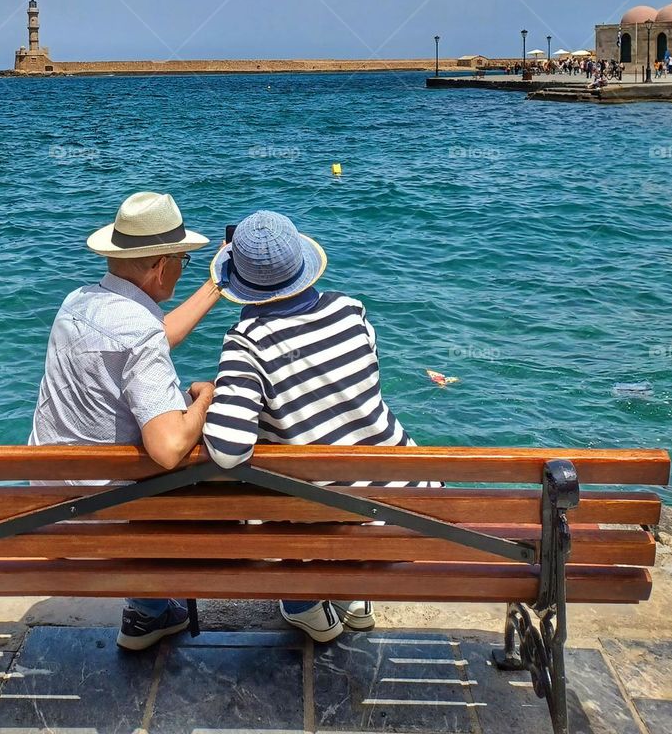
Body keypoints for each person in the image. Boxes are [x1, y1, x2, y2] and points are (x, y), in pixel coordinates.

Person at [202, 210, 438, 645]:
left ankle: (305, 605)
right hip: (403, 502)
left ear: (238, 281)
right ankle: (351, 594)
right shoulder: (352, 310)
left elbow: (227, 450)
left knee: (267, 492)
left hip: (327, 520)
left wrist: (211, 396)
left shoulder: (246, 341)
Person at [30, 190, 222, 650]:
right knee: (210, 462)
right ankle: (151, 604)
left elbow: (146, 339)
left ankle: (147, 612)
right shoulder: (138, 333)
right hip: (106, 516)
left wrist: (215, 286)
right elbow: (169, 446)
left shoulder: (77, 303)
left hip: (50, 496)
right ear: (160, 267)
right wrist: (206, 397)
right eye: (183, 262)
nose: (182, 269)